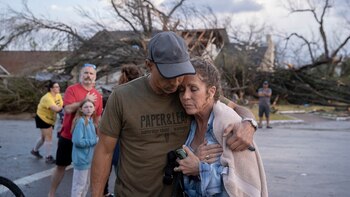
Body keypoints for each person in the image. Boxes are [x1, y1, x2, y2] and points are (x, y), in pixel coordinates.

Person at [91, 31, 257, 197]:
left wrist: (249, 123)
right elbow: (104, 151)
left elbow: (236, 108)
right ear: (149, 65)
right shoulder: (122, 97)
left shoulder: (187, 94)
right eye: (167, 75)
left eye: (179, 73)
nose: (175, 82)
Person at [175, 57, 268, 196]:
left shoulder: (230, 125)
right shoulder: (191, 123)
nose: (185, 96)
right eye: (181, 90)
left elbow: (242, 184)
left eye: (193, 89)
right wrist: (192, 159)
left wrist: (200, 169)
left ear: (211, 91)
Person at [48, 63, 103, 197]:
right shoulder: (72, 89)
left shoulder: (98, 95)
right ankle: (51, 193)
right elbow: (67, 109)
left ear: (95, 78)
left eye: (91, 74)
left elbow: (97, 118)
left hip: (87, 141)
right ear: (81, 75)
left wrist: (99, 138)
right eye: (85, 73)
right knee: (61, 166)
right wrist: (84, 100)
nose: (88, 76)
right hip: (68, 136)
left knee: (85, 171)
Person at [103, 64, 142, 197]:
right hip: (132, 148)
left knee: (120, 180)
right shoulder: (141, 97)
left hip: (117, 145)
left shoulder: (116, 95)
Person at [31, 81, 63, 164]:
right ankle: (48, 157)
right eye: (56, 87)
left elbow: (61, 105)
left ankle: (34, 150)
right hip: (42, 118)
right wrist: (66, 109)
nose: (58, 88)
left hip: (50, 119)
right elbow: (56, 108)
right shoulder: (47, 98)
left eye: (58, 86)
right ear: (51, 89)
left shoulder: (58, 95)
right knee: (48, 136)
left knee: (43, 137)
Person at [71, 99, 98, 197]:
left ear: (94, 109)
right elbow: (78, 141)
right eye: (86, 107)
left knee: (86, 185)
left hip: (88, 160)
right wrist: (94, 141)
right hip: (81, 159)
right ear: (81, 110)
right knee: (79, 186)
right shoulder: (81, 122)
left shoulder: (90, 121)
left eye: (91, 107)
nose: (89, 109)